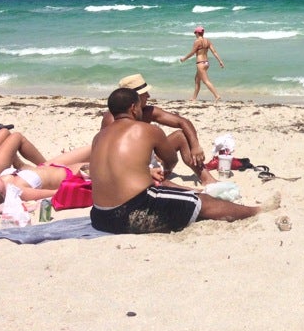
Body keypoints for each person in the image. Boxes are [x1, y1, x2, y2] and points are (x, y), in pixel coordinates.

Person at [89, 88, 279, 235]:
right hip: (130, 213)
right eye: (139, 106)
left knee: (177, 197)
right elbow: (171, 158)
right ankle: (256, 210)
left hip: (99, 217)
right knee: (200, 201)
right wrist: (166, 170)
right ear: (133, 108)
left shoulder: (99, 137)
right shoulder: (145, 129)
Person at [100, 74, 215, 185]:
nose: (148, 96)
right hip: (130, 167)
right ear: (135, 98)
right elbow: (110, 155)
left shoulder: (148, 111)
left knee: (181, 136)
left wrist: (195, 146)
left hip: (149, 158)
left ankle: (206, 178)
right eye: (145, 93)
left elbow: (182, 122)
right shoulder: (112, 119)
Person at [0, 145, 91, 210]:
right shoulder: (19, 191)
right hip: (70, 173)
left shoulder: (4, 179)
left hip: (49, 165)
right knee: (102, 155)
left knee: (93, 146)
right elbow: (53, 193)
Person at [180, 26, 225, 101]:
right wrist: (220, 61)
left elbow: (192, 52)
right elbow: (214, 52)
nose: (195, 34)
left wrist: (184, 59)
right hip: (206, 63)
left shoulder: (197, 41)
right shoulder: (207, 41)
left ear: (198, 33)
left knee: (206, 81)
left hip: (200, 63)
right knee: (197, 80)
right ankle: (194, 98)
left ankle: (217, 96)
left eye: (195, 33)